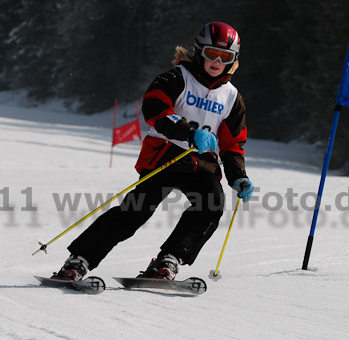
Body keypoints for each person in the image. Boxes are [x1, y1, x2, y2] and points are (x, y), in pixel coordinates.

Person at [54, 22, 254, 281]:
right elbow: (155, 109)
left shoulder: (231, 97)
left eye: (224, 57)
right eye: (210, 54)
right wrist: (189, 133)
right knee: (136, 210)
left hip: (202, 163)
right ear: (198, 51)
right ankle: (78, 261)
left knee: (211, 204)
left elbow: (233, 143)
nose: (216, 61)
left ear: (233, 61)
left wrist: (238, 174)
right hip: (165, 155)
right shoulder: (177, 77)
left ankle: (168, 260)